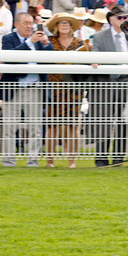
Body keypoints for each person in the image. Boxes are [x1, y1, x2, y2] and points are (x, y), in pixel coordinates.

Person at [0, 12, 54, 167]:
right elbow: (11, 59)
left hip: (34, 88)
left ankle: (33, 161)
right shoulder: (8, 38)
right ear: (16, 25)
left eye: (31, 23)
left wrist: (46, 44)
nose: (29, 26)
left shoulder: (38, 39)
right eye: (26, 23)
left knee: (35, 127)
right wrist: (30, 42)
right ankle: (8, 161)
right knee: (9, 126)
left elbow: (52, 61)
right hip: (13, 87)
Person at [90, 7, 128, 166]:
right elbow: (95, 56)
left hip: (125, 83)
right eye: (120, 18)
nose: (123, 20)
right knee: (103, 121)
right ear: (110, 18)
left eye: (125, 17)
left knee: (123, 121)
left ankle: (118, 158)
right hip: (106, 83)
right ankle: (101, 158)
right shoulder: (99, 37)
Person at [44, 12, 87, 168]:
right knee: (52, 125)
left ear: (71, 27)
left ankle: (72, 161)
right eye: (60, 23)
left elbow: (87, 63)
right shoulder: (49, 42)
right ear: (55, 26)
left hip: (73, 89)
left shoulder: (79, 43)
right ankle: (50, 161)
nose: (63, 25)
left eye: (67, 23)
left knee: (72, 125)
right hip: (53, 88)